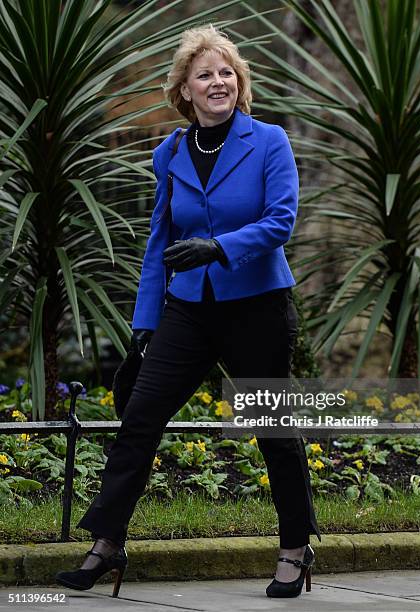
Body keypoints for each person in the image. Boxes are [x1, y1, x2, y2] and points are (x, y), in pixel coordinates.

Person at [55, 24, 321, 599]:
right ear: (185, 90)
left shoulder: (269, 140)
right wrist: (144, 324)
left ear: (239, 83)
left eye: (227, 72)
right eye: (205, 74)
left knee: (274, 430)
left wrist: (220, 246)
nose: (218, 81)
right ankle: (106, 544)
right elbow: (158, 241)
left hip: (258, 306)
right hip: (187, 309)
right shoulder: (169, 151)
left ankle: (295, 551)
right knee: (140, 418)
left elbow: (282, 221)